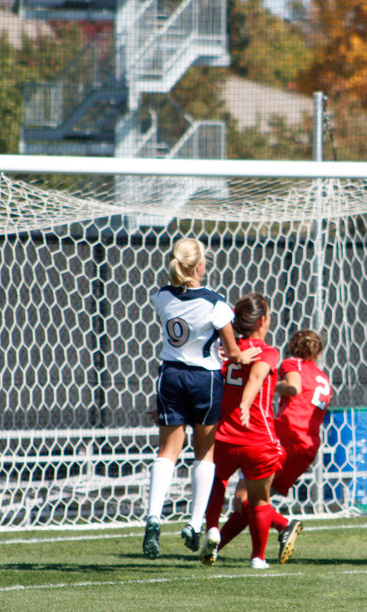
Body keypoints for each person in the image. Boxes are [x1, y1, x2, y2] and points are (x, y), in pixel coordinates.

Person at [143, 238, 259, 559]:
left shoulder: (161, 297)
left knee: (167, 451)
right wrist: (242, 357)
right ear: (198, 266)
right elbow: (232, 351)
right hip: (203, 379)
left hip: (169, 375)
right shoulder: (216, 304)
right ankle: (194, 524)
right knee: (204, 453)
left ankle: (153, 517)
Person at [203, 328, 333, 565]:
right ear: (318, 352)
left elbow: (294, 388)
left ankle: (284, 525)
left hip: (285, 438)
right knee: (252, 501)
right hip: (308, 447)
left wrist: (269, 382)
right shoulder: (322, 376)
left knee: (246, 499)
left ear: (293, 347)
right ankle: (216, 547)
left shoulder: (292, 363)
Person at [199, 293, 282, 569]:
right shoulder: (267, 351)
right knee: (260, 500)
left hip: (222, 435)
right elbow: (257, 376)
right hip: (256, 436)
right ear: (262, 320)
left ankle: (212, 528)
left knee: (217, 482)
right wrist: (246, 404)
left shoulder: (227, 351)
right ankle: (258, 557)